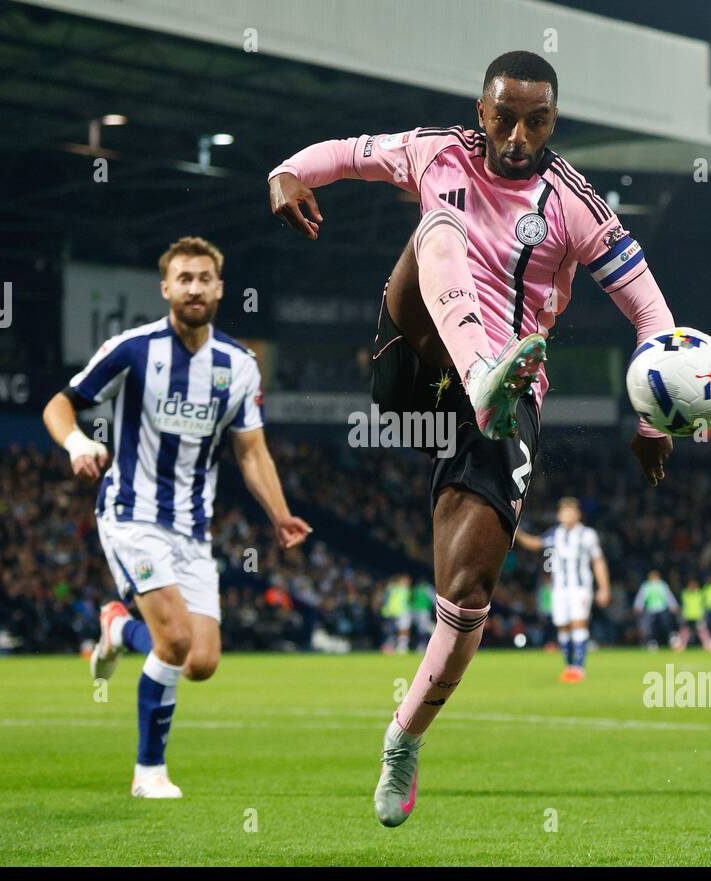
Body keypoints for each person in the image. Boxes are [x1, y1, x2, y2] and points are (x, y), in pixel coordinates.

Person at [268, 50, 676, 827]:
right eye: (505, 116)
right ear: (481, 109)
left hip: (508, 398)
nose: (519, 134)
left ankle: (403, 737)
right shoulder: (436, 150)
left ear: (555, 121)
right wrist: (284, 174)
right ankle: (482, 366)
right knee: (440, 219)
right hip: (416, 361)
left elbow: (654, 319)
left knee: (465, 598)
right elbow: (345, 155)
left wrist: (656, 420)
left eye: (538, 120)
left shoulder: (577, 206)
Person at [42, 236, 311, 799]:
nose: (194, 288)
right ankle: (149, 773)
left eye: (203, 278)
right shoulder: (132, 349)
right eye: (183, 278)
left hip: (192, 527)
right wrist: (75, 444)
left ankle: (118, 628)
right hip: (131, 512)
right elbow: (60, 403)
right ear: (166, 288)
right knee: (174, 641)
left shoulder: (238, 365)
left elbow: (251, 451)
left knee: (202, 661)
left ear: (219, 288)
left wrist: (281, 515)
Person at [515, 497, 610, 681]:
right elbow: (534, 543)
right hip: (558, 589)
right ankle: (569, 667)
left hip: (580, 587)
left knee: (578, 623)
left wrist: (604, 588)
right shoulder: (554, 534)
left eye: (571, 512)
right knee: (563, 627)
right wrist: (516, 530)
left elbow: (598, 561)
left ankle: (578, 668)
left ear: (578, 515)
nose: (567, 515)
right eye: (564, 512)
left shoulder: (587, 535)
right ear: (559, 515)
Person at [633, 569, 678, 650]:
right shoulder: (646, 586)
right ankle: (652, 642)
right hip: (650, 610)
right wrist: (638, 606)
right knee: (650, 628)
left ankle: (672, 640)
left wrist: (673, 605)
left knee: (666, 625)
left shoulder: (662, 585)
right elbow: (641, 597)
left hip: (662, 609)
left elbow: (668, 595)